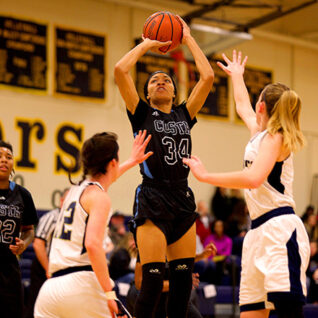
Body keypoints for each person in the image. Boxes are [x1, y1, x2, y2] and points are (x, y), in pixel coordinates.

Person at [183, 50, 310, 318]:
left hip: (279, 229)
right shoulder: (259, 134)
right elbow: (241, 105)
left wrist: (206, 176)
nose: (253, 105)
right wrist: (237, 77)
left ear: (261, 105)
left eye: (257, 100)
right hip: (256, 232)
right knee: (251, 312)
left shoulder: (278, 137)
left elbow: (253, 179)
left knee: (289, 311)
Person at [114, 15, 214, 318]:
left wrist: (187, 38)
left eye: (167, 80)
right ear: (146, 93)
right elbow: (120, 70)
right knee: (154, 280)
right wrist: (146, 44)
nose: (161, 82)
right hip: (152, 196)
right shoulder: (141, 113)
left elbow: (207, 77)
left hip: (182, 197)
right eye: (154, 80)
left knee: (183, 282)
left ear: (174, 92)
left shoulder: (185, 114)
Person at [34, 130, 152, 318]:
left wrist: (131, 160)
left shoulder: (73, 191)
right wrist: (109, 292)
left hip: (49, 292)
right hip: (80, 285)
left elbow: (105, 179)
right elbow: (92, 244)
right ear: (112, 162)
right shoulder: (99, 198)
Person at [0, 140, 38, 318]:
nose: (4, 160)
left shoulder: (23, 195)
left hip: (9, 269)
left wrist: (24, 243)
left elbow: (30, 230)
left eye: (8, 157)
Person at [24, 189, 69, 318]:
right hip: (44, 267)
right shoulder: (51, 217)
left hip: (62, 268)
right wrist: (48, 269)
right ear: (61, 201)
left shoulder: (76, 219)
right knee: (36, 305)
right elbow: (38, 243)